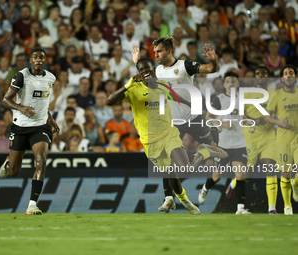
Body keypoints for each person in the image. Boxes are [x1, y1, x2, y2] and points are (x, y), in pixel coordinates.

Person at [107, 57, 227, 214]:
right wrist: (128, 84)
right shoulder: (133, 89)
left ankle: (204, 151)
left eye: (147, 68)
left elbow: (178, 97)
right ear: (138, 72)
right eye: (141, 69)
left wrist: (195, 106)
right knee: (171, 175)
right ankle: (186, 202)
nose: (144, 71)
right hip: (150, 142)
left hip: (169, 134)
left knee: (185, 170)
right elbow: (110, 101)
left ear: (153, 68)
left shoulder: (162, 86)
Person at [0, 47, 59, 216]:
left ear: (45, 61)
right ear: (30, 61)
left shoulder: (50, 78)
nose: (39, 59)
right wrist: (21, 108)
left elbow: (42, 102)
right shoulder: (21, 76)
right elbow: (5, 99)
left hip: (40, 127)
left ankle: (32, 205)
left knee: (41, 160)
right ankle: (9, 162)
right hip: (20, 127)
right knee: (14, 171)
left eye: (42, 57)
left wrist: (50, 118)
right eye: (35, 57)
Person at [225, 66, 278, 214]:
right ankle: (235, 183)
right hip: (250, 137)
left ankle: (272, 209)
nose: (261, 76)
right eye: (258, 74)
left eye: (264, 73)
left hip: (268, 137)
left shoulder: (274, 95)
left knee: (270, 168)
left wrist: (270, 120)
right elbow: (240, 115)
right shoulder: (246, 94)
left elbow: (277, 114)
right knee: (248, 175)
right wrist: (255, 122)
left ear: (268, 77)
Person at [198, 71, 251, 214]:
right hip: (223, 146)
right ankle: (206, 187)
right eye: (227, 82)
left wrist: (247, 122)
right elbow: (208, 118)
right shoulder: (218, 100)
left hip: (240, 144)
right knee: (217, 176)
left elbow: (242, 116)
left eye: (233, 81)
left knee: (240, 175)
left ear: (238, 84)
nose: (230, 84)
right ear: (224, 84)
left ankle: (240, 209)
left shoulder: (242, 99)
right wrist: (222, 124)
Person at [264, 65, 298, 215]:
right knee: (285, 174)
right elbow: (266, 116)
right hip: (283, 141)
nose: (288, 75)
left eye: (291, 73)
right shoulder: (277, 95)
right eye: (285, 73)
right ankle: (287, 206)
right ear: (282, 78)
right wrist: (279, 122)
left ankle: (295, 185)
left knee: (294, 177)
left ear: (296, 77)